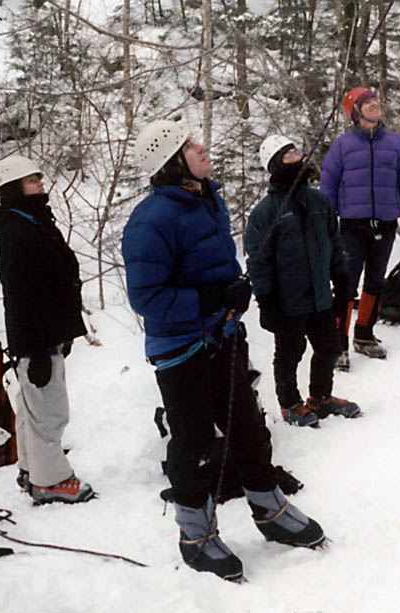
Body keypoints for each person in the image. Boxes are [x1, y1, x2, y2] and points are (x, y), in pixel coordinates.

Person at [123, 120, 325, 582]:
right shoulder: (150, 221)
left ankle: (269, 510)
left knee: (247, 427)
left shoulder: (206, 198)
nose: (202, 148)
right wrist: (212, 300)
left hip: (222, 334)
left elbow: (215, 264)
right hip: (180, 346)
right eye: (191, 146)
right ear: (173, 163)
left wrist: (232, 291)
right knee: (194, 441)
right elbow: (147, 298)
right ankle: (195, 535)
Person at [0, 156, 95, 504]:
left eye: (38, 179)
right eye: (32, 181)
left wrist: (63, 332)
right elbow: (21, 297)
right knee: (48, 410)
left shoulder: (33, 221)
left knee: (33, 406)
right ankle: (52, 481)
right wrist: (38, 348)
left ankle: (32, 470)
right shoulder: (16, 231)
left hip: (46, 334)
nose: (41, 184)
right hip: (36, 339)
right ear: (14, 189)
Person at [246, 133, 362, 428]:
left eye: (297, 152)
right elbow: (258, 261)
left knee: (329, 346)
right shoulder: (265, 212)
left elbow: (334, 243)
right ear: (274, 165)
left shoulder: (320, 201)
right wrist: (266, 300)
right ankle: (289, 404)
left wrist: (342, 277)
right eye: (288, 155)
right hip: (288, 301)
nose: (297, 158)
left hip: (321, 295)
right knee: (289, 352)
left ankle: (320, 397)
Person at [320, 87, 400, 369]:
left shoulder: (396, 144)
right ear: (355, 112)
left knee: (376, 282)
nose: (375, 105)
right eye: (367, 103)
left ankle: (364, 334)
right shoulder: (342, 145)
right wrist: (327, 226)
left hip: (386, 226)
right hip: (351, 227)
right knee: (345, 285)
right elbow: (327, 187)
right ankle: (338, 343)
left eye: (376, 101)